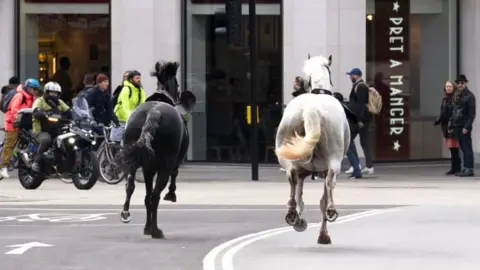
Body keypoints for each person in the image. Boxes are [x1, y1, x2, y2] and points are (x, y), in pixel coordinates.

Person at [0, 79, 38, 179]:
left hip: (23, 123)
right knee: (10, 143)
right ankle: (3, 167)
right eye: (33, 89)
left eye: (36, 89)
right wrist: (16, 123)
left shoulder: (31, 97)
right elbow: (14, 111)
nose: (35, 91)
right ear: (28, 88)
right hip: (12, 123)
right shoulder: (19, 96)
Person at [31, 81, 73, 172]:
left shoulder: (60, 102)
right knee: (46, 140)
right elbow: (35, 111)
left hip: (57, 129)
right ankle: (36, 162)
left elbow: (68, 111)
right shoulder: (40, 101)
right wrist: (42, 114)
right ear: (46, 92)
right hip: (41, 129)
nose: (54, 95)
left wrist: (75, 116)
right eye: (51, 92)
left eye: (56, 93)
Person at [345, 68, 374, 175]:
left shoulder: (360, 86)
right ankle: (367, 166)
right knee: (363, 141)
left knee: (350, 140)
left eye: (351, 75)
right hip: (361, 118)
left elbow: (361, 104)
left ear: (356, 76)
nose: (349, 77)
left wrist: (359, 120)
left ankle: (357, 165)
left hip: (362, 119)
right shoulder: (359, 85)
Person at [434, 80, 461, 175]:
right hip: (446, 126)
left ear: (454, 87)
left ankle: (457, 168)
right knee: (451, 148)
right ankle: (454, 168)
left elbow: (454, 112)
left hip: (452, 126)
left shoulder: (456, 98)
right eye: (447, 86)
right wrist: (438, 120)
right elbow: (442, 112)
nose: (448, 88)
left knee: (454, 148)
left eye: (450, 86)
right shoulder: (445, 99)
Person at [111, 70, 146, 142]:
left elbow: (143, 105)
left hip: (131, 119)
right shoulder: (126, 89)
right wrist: (131, 117)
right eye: (137, 78)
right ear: (131, 79)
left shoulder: (140, 91)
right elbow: (125, 106)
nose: (139, 80)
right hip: (121, 118)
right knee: (116, 140)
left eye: (139, 78)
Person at [451, 74, 476, 177]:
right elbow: (454, 111)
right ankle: (465, 168)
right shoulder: (457, 95)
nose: (460, 84)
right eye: (458, 83)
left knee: (467, 147)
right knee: (462, 147)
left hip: (464, 125)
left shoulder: (469, 96)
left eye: (462, 83)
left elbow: (472, 114)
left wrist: (467, 126)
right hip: (458, 124)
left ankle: (469, 169)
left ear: (465, 83)